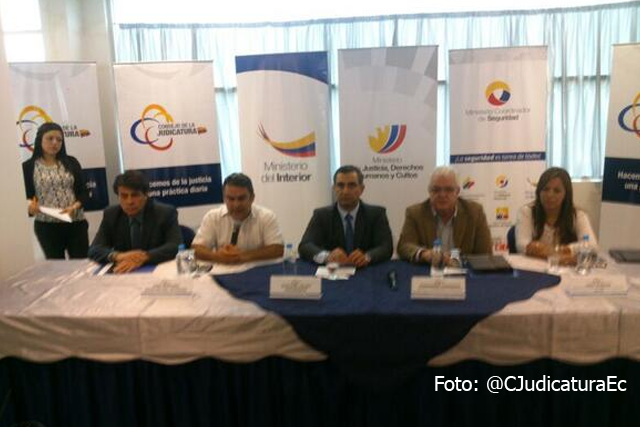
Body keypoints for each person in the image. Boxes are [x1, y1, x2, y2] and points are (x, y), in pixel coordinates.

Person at [88, 170, 182, 273]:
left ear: (145, 195)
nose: (129, 201)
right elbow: (94, 249)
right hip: (123, 272)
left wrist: (145, 257)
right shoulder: (111, 214)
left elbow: (175, 246)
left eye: (135, 195)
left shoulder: (165, 212)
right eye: (124, 196)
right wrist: (118, 256)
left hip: (157, 271)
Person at [298, 165, 393, 267]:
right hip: (333, 271)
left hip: (366, 271)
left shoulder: (376, 214)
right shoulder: (321, 215)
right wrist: (327, 256)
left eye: (351, 185)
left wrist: (367, 257)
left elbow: (386, 247)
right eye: (340, 185)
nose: (345, 191)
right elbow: (305, 246)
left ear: (361, 189)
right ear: (334, 188)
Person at [397, 166, 492, 263]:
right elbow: (404, 245)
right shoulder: (415, 213)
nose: (442, 195)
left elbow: (485, 253)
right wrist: (424, 254)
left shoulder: (475, 212)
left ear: (457, 192)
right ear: (429, 191)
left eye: (448, 190)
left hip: (463, 268)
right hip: (428, 268)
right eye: (436, 190)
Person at [22, 122, 89, 259]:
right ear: (40, 140)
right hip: (46, 226)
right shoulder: (28, 166)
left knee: (81, 264)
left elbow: (83, 192)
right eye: (50, 138)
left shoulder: (71, 162)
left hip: (75, 223)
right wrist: (30, 206)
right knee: (56, 267)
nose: (55, 143)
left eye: (59, 140)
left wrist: (74, 207)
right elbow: (25, 196)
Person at [192, 173, 284, 264]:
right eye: (231, 199)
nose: (236, 205)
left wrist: (241, 256)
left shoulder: (266, 217)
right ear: (224, 198)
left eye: (241, 198)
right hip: (222, 270)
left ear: (252, 198)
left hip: (257, 271)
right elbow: (196, 249)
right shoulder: (212, 217)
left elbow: (277, 249)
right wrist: (218, 257)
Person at [515, 167, 597, 264]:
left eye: (557, 191)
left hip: (566, 270)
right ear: (539, 191)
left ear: (566, 194)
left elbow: (592, 246)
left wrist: (563, 250)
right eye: (545, 189)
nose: (550, 195)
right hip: (534, 267)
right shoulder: (526, 212)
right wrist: (558, 256)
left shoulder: (578, 215)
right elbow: (522, 245)